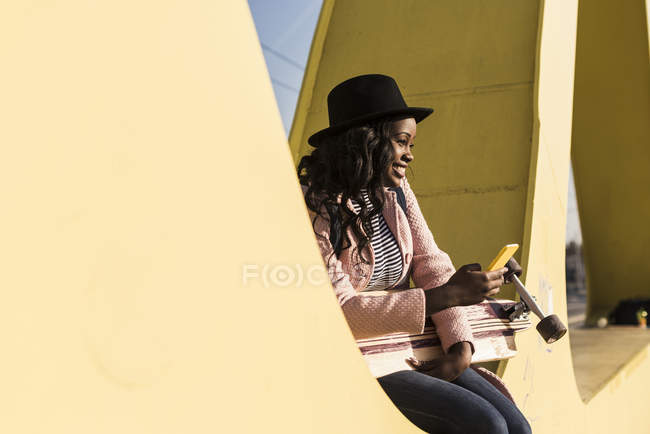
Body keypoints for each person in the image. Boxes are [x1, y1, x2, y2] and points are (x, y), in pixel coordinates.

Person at [298, 74, 531, 434]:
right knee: (485, 425)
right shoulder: (314, 207)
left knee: (516, 426)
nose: (410, 154)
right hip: (355, 357)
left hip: (409, 347)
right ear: (366, 142)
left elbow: (430, 264)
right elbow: (340, 310)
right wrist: (448, 295)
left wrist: (459, 344)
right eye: (401, 141)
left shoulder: (396, 191)